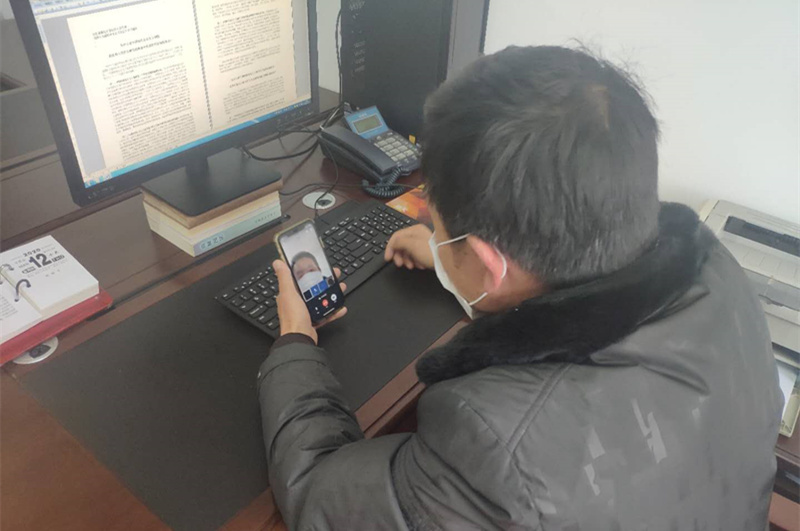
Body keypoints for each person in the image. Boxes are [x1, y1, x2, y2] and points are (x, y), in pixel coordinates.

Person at [258, 46, 783, 530]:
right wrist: (448, 258)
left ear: (492, 264)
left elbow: (315, 491)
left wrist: (295, 343)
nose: (434, 237)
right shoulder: (721, 278)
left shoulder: (494, 449)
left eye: (439, 229)